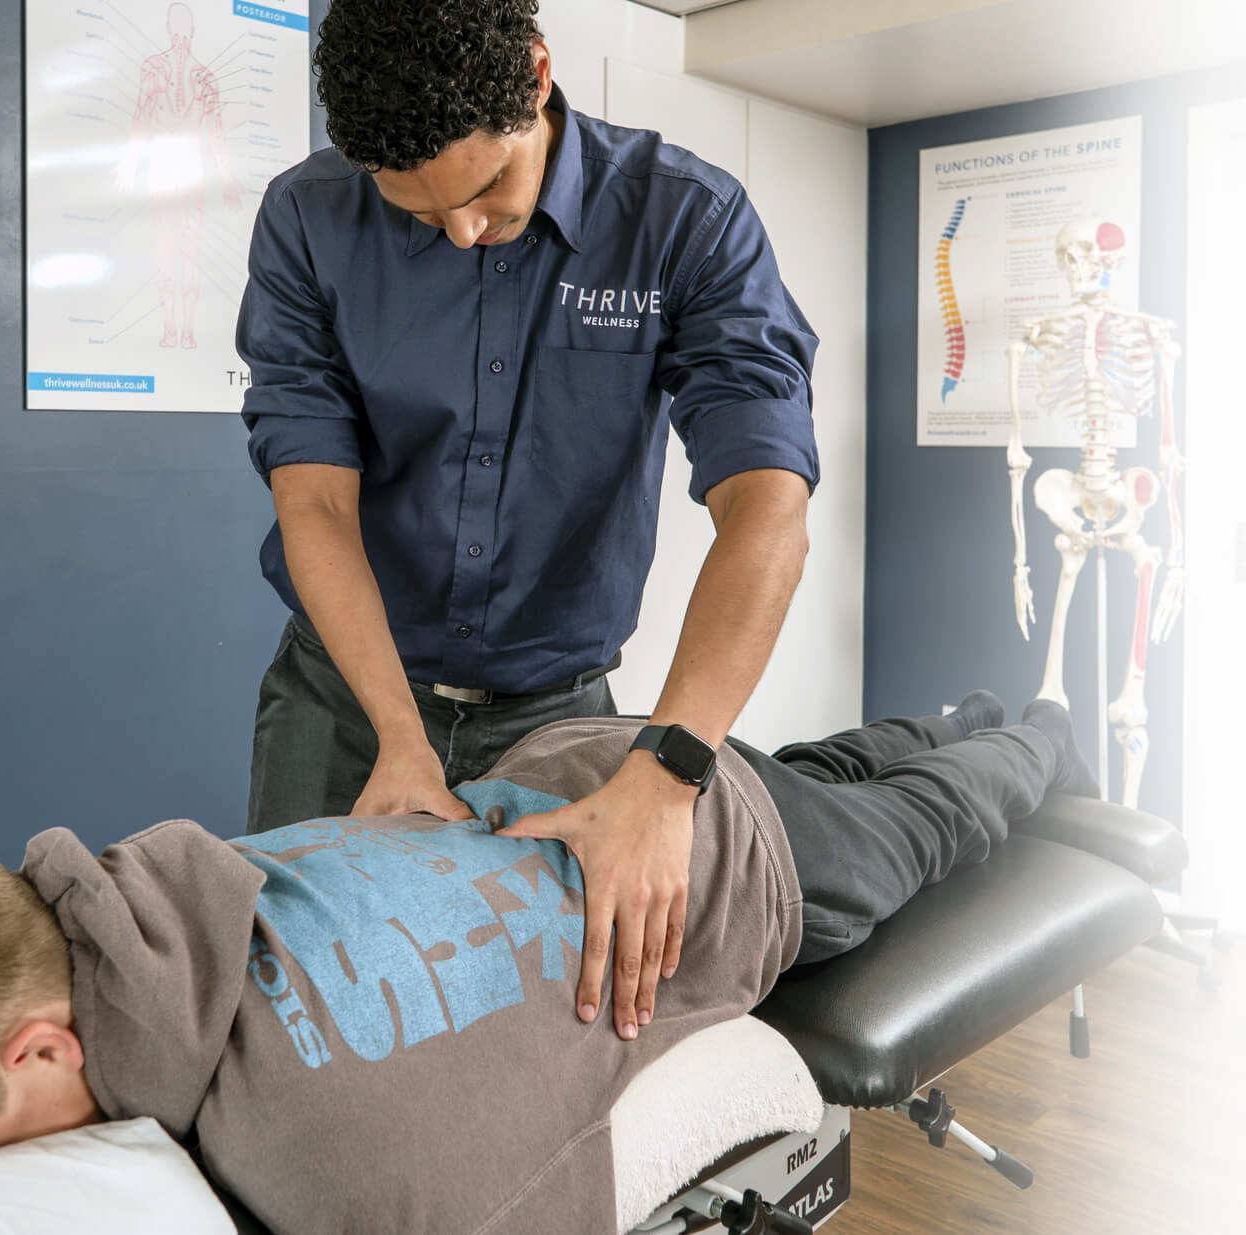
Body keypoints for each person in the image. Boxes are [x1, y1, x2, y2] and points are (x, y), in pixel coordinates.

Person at [0, 693, 1098, 1231]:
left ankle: (1027, 722)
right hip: (578, 764)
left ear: (41, 1049)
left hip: (735, 864)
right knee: (840, 759)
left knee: (947, 805)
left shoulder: (317, 1142)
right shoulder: (145, 886)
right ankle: (936, 720)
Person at [236, 0, 819, 1035]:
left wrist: (671, 765)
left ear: (538, 76)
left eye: (488, 189)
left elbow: (765, 504)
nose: (463, 234)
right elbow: (314, 498)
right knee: (298, 1007)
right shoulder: (307, 217)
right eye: (422, 218)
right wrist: (398, 736)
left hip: (558, 707)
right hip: (346, 694)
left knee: (543, 1025)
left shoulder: (684, 217)